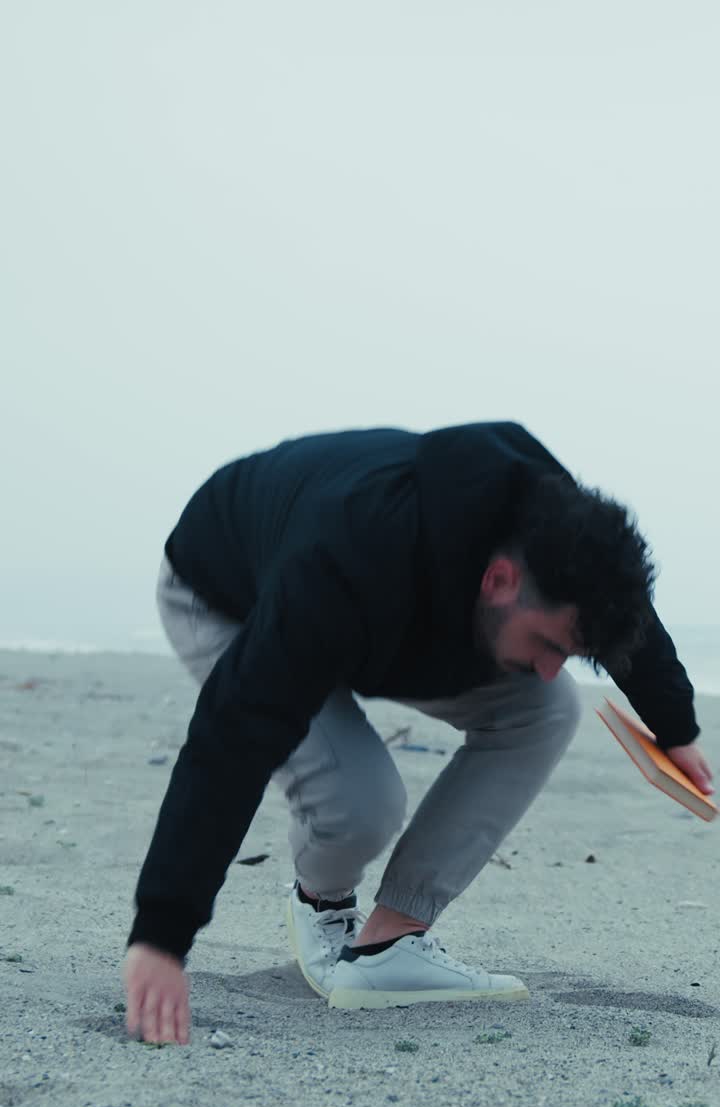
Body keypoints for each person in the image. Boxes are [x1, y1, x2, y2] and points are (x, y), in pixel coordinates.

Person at [123, 421, 713, 1043]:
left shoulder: (558, 527)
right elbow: (233, 737)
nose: (548, 664)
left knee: (550, 704)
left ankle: (390, 944)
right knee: (361, 805)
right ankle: (322, 906)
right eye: (546, 643)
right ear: (500, 580)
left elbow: (621, 610)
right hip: (228, 600)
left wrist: (673, 726)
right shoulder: (346, 553)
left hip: (405, 617)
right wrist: (163, 936)